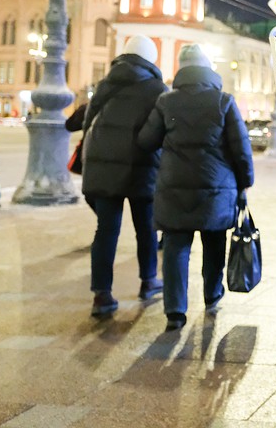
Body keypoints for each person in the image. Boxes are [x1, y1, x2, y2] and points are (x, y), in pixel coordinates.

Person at [138, 44, 254, 332]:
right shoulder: (223, 101)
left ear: (182, 70)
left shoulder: (167, 102)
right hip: (216, 190)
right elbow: (241, 151)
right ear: (208, 69)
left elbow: (145, 141)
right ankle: (212, 295)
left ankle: (175, 311)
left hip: (173, 189)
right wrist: (244, 182)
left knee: (176, 247)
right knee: (214, 244)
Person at [81, 35, 168, 317]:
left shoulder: (106, 83)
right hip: (141, 166)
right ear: (151, 59)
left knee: (106, 231)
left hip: (103, 166)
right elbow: (162, 131)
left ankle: (101, 295)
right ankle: (148, 281)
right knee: (146, 228)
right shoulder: (157, 88)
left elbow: (87, 124)